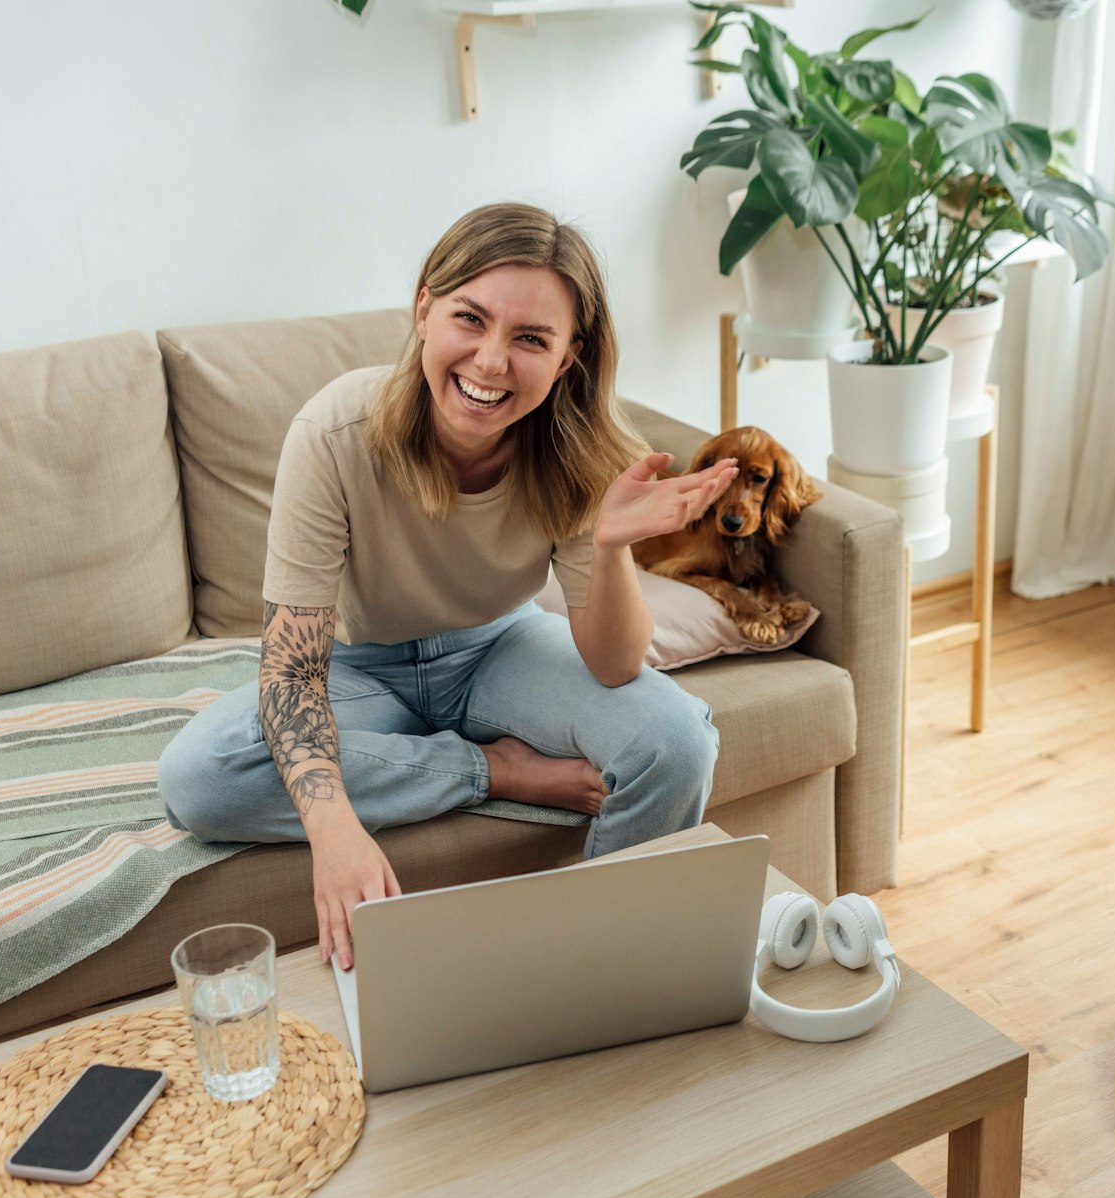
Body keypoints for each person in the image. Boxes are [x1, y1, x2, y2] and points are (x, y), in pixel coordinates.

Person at [157, 202, 736, 969]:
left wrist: (614, 545)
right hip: (358, 668)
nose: (492, 362)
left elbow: (614, 666)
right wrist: (337, 831)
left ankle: (600, 971)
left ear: (569, 357)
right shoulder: (333, 434)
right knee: (198, 774)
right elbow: (291, 669)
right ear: (424, 308)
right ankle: (494, 767)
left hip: (499, 644)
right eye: (471, 318)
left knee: (677, 740)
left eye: (531, 338)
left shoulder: (584, 455)